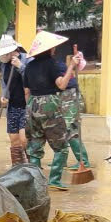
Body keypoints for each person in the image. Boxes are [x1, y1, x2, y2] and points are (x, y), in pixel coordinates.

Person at [23, 31, 78, 191]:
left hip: (32, 105)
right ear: (50, 49)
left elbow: (26, 91)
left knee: (34, 147)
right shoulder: (52, 64)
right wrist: (71, 66)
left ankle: (36, 183)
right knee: (61, 147)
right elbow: (61, 85)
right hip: (49, 104)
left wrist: (30, 109)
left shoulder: (29, 66)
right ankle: (54, 180)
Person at [0, 36, 27, 164]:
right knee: (14, 139)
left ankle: (31, 164)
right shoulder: (4, 65)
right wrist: (4, 96)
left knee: (24, 139)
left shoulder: (27, 60)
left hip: (27, 105)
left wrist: (20, 66)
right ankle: (17, 166)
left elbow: (32, 78)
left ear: (10, 51)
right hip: (13, 106)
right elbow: (4, 83)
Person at [61, 44, 91, 171]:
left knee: (71, 130)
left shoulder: (55, 65)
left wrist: (75, 63)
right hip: (64, 96)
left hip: (70, 96)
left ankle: (83, 161)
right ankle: (62, 161)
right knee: (64, 130)